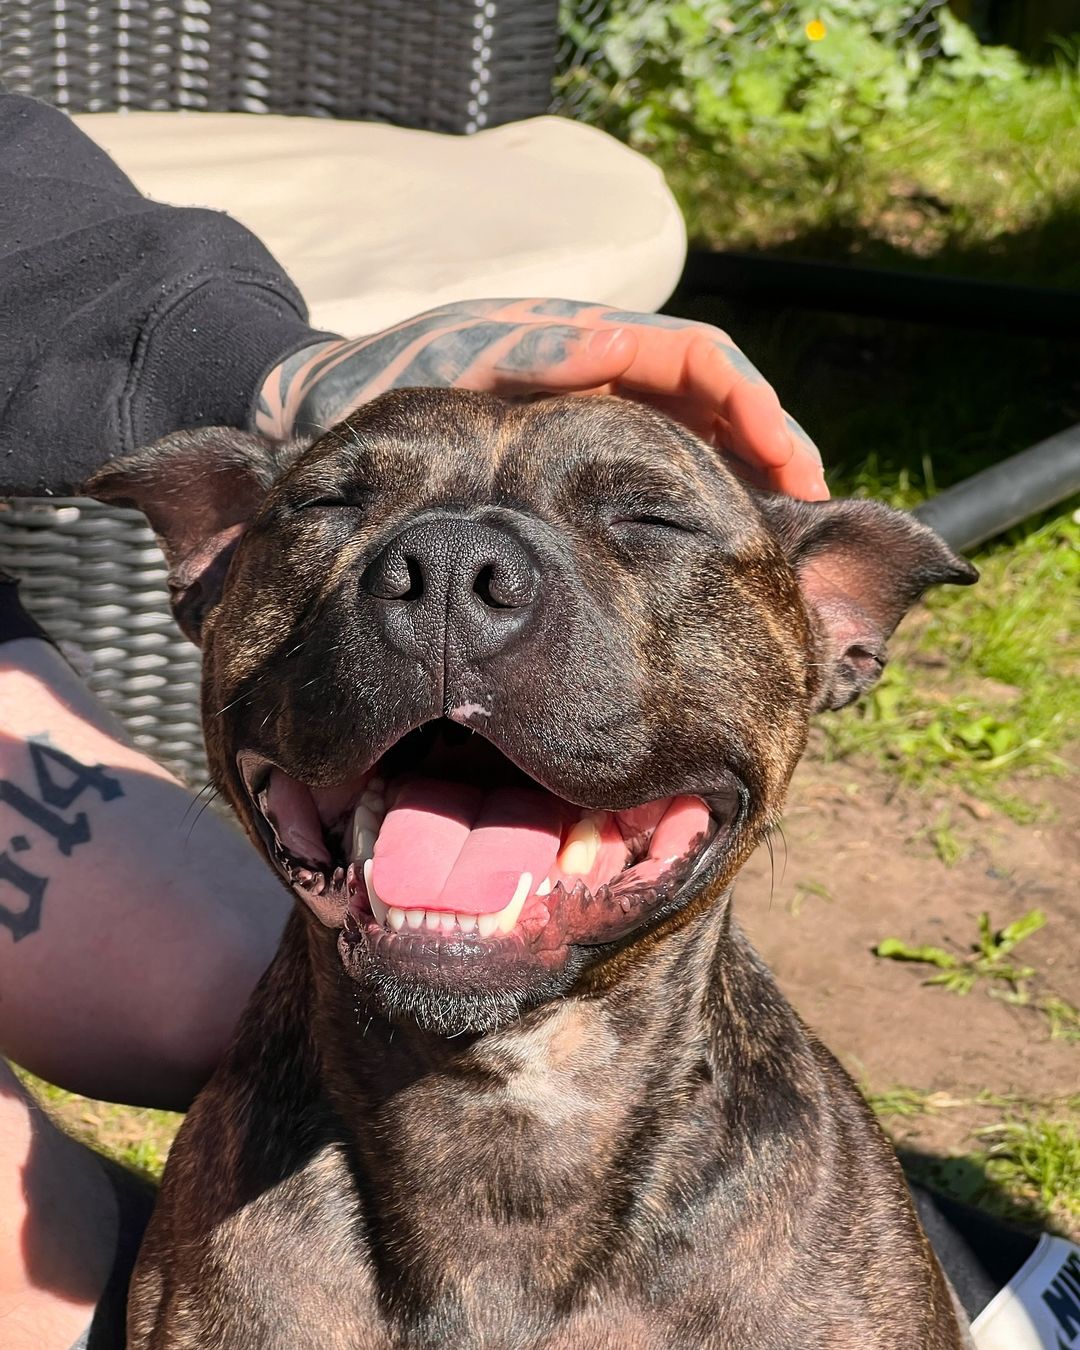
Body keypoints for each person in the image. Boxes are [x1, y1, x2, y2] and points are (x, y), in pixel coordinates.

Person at [3, 89, 1069, 1350]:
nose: (454, 575)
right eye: (338, 512)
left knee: (197, 979)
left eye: (649, 522)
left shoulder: (827, 1292)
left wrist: (284, 374)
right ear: (211, 562)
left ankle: (975, 1274)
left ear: (837, 624)